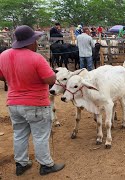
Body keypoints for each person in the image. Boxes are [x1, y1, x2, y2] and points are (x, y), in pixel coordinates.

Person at [0, 25, 65, 176]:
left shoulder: (3, 55)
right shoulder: (36, 58)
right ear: (29, 42)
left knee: (19, 134)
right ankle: (46, 165)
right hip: (35, 103)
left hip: (13, 103)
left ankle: (21, 163)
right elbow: (50, 79)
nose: (36, 43)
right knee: (40, 135)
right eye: (35, 40)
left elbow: (2, 76)